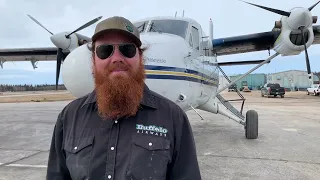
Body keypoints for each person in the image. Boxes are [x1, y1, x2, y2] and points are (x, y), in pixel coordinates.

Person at [46, 16, 202, 180]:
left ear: (140, 58)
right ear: (93, 60)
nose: (117, 58)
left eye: (127, 49)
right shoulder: (69, 117)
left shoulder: (174, 118)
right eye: (105, 50)